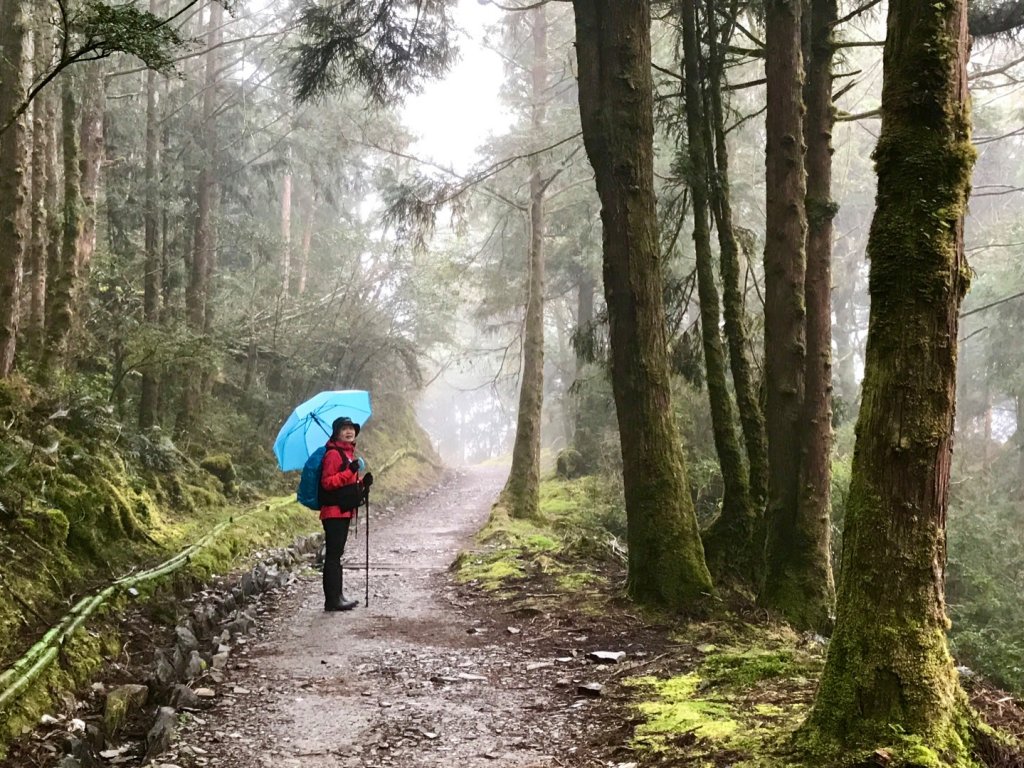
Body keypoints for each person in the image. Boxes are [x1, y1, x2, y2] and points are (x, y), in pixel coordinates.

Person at [319, 416, 369, 612]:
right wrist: (350, 471)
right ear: (337, 432)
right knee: (333, 556)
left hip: (343, 511)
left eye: (351, 428)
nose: (349, 431)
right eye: (344, 428)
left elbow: (346, 484)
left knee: (336, 555)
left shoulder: (346, 454)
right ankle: (332, 600)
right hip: (333, 512)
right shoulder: (333, 454)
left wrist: (363, 484)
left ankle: (338, 596)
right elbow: (328, 482)